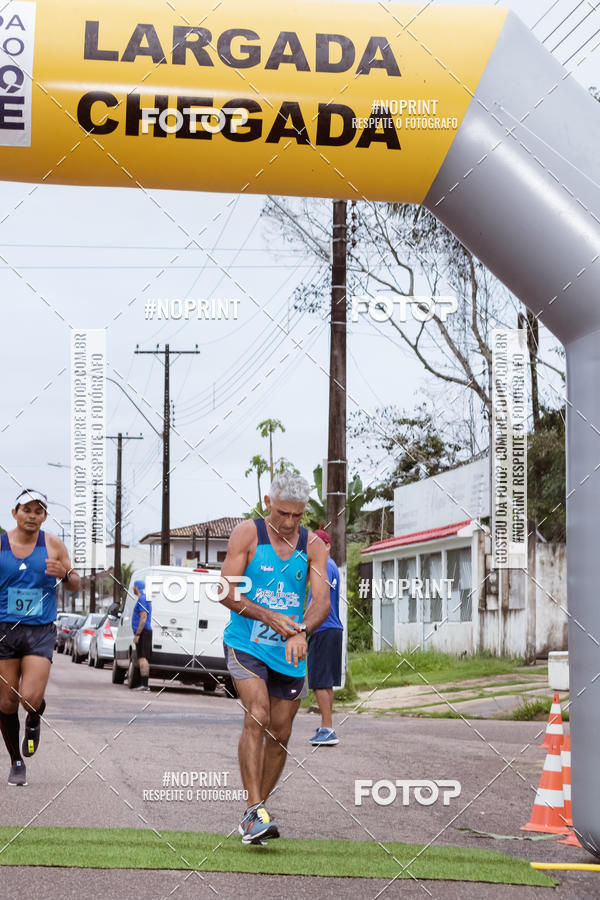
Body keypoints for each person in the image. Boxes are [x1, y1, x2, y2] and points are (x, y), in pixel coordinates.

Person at [220, 472, 330, 845]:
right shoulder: (247, 535)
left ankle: (256, 812)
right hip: (246, 642)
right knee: (258, 715)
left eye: (297, 515)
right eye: (283, 513)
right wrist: (267, 616)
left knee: (281, 731)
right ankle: (254, 810)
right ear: (268, 503)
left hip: (289, 649)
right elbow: (224, 590)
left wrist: (301, 631)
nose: (289, 522)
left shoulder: (313, 545)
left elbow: (322, 601)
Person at [0, 489, 80, 786]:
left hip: (39, 629)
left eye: (38, 511)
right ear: (15, 513)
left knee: (29, 699)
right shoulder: (1, 545)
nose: (32, 516)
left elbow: (75, 583)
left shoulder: (53, 544)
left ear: (44, 516)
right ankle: (16, 762)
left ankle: (34, 718)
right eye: (26, 510)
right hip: (5, 629)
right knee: (7, 702)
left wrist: (65, 574)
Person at [306, 529, 343, 746]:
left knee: (319, 681)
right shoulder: (332, 566)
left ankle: (327, 729)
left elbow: (317, 600)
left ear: (328, 546)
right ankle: (326, 726)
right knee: (326, 682)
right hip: (333, 628)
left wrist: (302, 625)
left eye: (319, 544)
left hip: (323, 627)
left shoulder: (323, 566)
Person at [131, 579, 152, 692]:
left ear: (137, 588)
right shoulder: (145, 598)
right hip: (144, 631)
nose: (133, 588)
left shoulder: (142, 599)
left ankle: (144, 685)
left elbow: (143, 618)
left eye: (134, 586)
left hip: (143, 632)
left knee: (142, 658)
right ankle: (143, 684)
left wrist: (138, 634)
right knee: (142, 658)